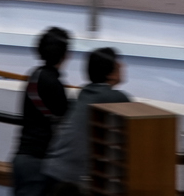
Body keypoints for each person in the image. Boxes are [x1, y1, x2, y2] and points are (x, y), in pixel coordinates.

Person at [12, 26, 72, 196]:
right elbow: (64, 117)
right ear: (65, 54)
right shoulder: (52, 83)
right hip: (38, 162)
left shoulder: (35, 76)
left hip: (23, 157)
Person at [43, 47, 130, 188]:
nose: (122, 65)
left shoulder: (84, 93)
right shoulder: (115, 98)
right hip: (74, 176)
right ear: (110, 73)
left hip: (53, 168)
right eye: (118, 62)